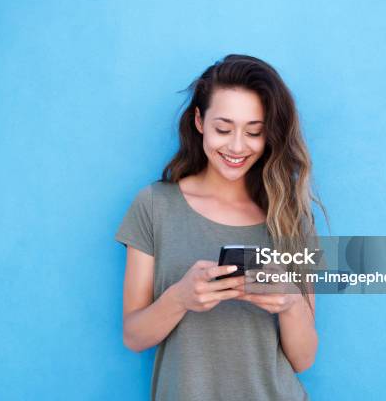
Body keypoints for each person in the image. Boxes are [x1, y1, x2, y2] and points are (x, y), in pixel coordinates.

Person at [115, 54, 325, 401]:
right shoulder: (154, 206)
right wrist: (180, 298)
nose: (237, 146)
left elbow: (303, 359)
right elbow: (134, 336)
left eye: (254, 132)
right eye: (223, 129)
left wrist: (289, 302)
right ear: (199, 120)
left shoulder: (290, 217)